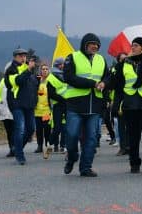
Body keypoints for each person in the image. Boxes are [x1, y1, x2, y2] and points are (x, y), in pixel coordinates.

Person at [108, 37, 142, 175]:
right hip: (130, 105)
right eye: (132, 45)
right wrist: (116, 104)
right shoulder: (125, 63)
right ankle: (134, 163)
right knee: (133, 137)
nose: (132, 47)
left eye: (136, 45)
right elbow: (119, 86)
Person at [62, 33, 110, 177]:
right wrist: (92, 83)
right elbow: (69, 77)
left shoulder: (101, 59)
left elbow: (107, 76)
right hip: (75, 105)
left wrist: (104, 83)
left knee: (91, 138)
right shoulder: (72, 57)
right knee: (72, 135)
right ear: (85, 45)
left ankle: (86, 167)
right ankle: (72, 157)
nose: (95, 46)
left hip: (94, 105)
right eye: (92, 44)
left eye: (97, 45)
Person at [5, 49, 39, 165]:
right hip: (16, 103)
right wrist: (28, 70)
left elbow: (34, 86)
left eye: (24, 56)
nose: (23, 58)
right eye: (20, 56)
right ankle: (19, 155)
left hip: (29, 104)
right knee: (20, 129)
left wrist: (35, 100)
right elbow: (17, 81)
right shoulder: (11, 70)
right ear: (15, 57)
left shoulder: (29, 69)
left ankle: (17, 148)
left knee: (31, 129)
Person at [109, 53, 130, 156]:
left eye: (126, 59)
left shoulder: (131, 69)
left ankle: (130, 146)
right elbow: (112, 85)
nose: (124, 61)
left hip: (131, 100)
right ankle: (123, 147)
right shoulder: (116, 71)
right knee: (121, 125)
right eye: (122, 59)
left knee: (131, 125)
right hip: (120, 101)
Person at [47, 57, 68, 154]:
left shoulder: (67, 75)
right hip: (58, 105)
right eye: (63, 64)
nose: (64, 66)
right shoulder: (51, 77)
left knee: (68, 127)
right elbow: (51, 94)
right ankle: (50, 144)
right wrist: (63, 99)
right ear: (58, 65)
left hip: (68, 104)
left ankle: (65, 146)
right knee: (57, 128)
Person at [0, 78, 15, 157]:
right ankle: (12, 148)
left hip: (16, 110)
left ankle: (16, 147)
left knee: (16, 130)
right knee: (9, 131)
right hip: (5, 111)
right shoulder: (3, 81)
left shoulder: (18, 79)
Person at [35, 63, 53, 158]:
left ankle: (47, 145)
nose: (45, 70)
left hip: (46, 110)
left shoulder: (50, 81)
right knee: (38, 129)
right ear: (40, 71)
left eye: (46, 69)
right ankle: (39, 146)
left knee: (47, 129)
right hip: (37, 111)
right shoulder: (37, 81)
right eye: (43, 69)